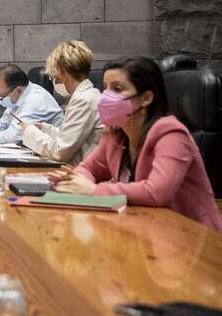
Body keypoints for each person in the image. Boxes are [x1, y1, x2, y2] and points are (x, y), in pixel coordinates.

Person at [49, 56, 222, 230]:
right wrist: (76, 181)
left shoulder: (172, 134)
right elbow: (88, 168)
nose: (106, 96)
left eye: (117, 89)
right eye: (105, 87)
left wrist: (93, 191)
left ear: (146, 98)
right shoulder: (115, 133)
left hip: (192, 235)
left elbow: (157, 192)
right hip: (145, 227)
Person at [21, 41, 102, 164]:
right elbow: (70, 137)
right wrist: (44, 128)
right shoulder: (87, 95)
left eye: (54, 76)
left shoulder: (83, 99)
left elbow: (60, 152)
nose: (54, 81)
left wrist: (30, 132)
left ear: (63, 73)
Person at [0, 64, 63, 144]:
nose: (0, 99)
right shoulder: (17, 98)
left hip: (54, 158)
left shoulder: (36, 101)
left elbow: (13, 137)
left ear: (18, 90)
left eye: (1, 96)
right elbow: (1, 126)